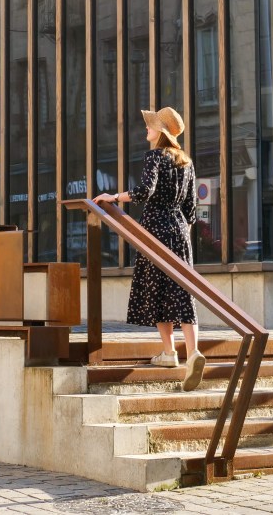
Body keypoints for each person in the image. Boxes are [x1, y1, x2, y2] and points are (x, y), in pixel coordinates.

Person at [93, 106, 206, 392]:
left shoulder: (155, 156)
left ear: (162, 133)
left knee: (156, 288)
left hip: (156, 230)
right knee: (182, 290)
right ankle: (192, 353)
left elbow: (145, 191)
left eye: (151, 126)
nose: (147, 129)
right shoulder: (187, 163)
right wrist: (181, 232)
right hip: (180, 231)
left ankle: (169, 351)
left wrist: (114, 196)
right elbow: (191, 209)